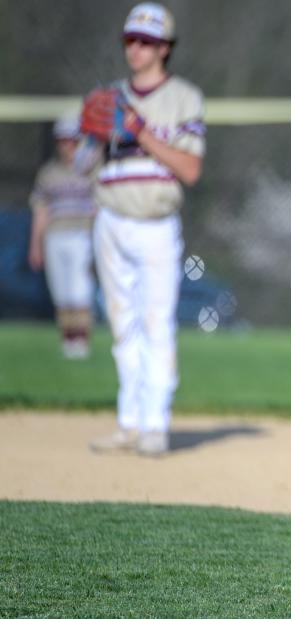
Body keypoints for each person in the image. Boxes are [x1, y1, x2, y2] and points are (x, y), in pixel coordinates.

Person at [84, 2, 205, 457]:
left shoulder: (184, 99)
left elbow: (190, 169)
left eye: (147, 41)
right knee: (121, 325)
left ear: (166, 47)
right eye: (130, 40)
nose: (136, 48)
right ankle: (128, 423)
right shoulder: (109, 96)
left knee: (156, 322)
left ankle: (155, 424)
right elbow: (84, 165)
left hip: (156, 223)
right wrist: (87, 136)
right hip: (111, 218)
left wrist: (140, 131)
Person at [28, 113, 98, 359]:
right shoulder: (49, 173)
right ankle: (69, 346)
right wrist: (35, 244)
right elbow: (40, 211)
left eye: (73, 140)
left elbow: (101, 208)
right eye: (63, 140)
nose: (68, 145)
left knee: (80, 292)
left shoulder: (93, 169)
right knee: (62, 294)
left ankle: (81, 346)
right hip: (55, 236)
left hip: (82, 235)